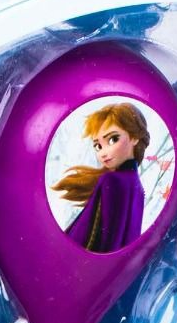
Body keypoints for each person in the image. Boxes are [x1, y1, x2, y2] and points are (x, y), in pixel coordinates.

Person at [52, 102, 149, 253]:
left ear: (135, 137)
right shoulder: (138, 188)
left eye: (113, 139)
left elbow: (92, 237)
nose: (103, 153)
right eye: (98, 146)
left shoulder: (111, 181)